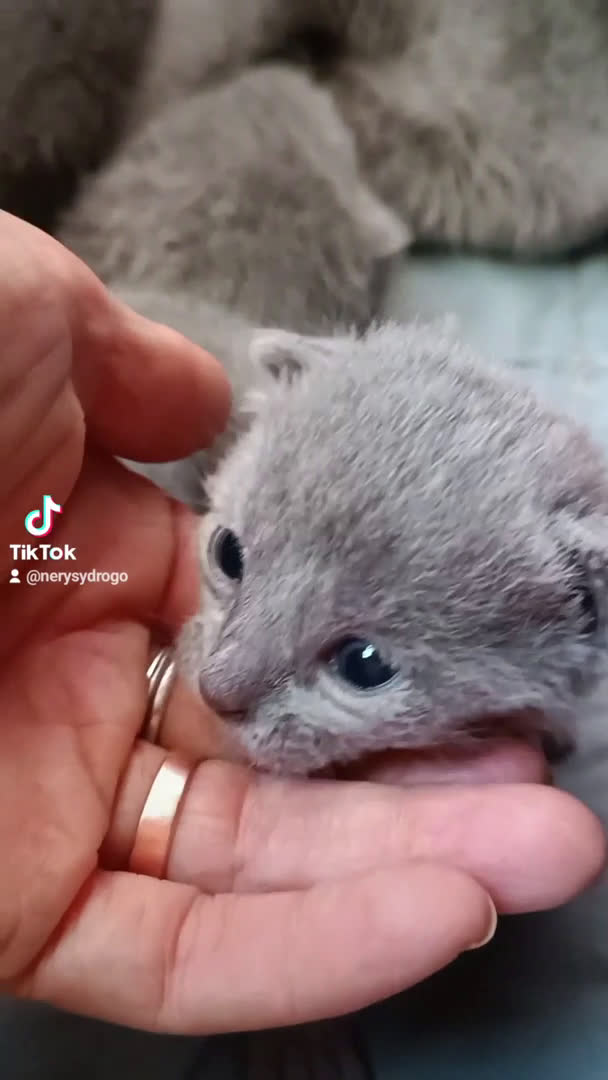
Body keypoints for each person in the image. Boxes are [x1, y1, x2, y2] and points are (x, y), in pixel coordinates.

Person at [0, 208, 604, 1039]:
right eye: (232, 559)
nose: (219, 679)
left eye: (360, 662)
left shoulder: (564, 579)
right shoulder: (108, 475)